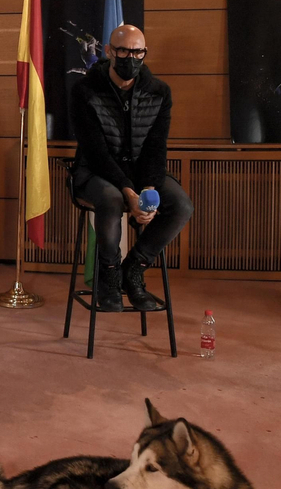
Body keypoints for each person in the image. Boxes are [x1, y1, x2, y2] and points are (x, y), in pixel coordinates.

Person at [68, 24, 192, 312]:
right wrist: (128, 191)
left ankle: (133, 269)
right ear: (110, 51)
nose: (131, 58)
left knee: (181, 205)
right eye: (124, 51)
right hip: (95, 171)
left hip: (141, 172)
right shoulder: (84, 90)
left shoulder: (159, 92)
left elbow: (156, 146)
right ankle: (109, 275)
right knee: (112, 200)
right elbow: (95, 151)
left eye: (138, 52)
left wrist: (147, 187)